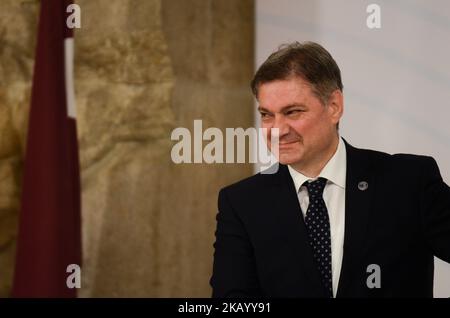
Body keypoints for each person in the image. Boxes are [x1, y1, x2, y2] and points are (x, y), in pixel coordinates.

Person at [210, 41, 450, 298]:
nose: (276, 130)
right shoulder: (242, 202)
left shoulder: (408, 182)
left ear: (334, 106)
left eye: (292, 112)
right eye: (267, 115)